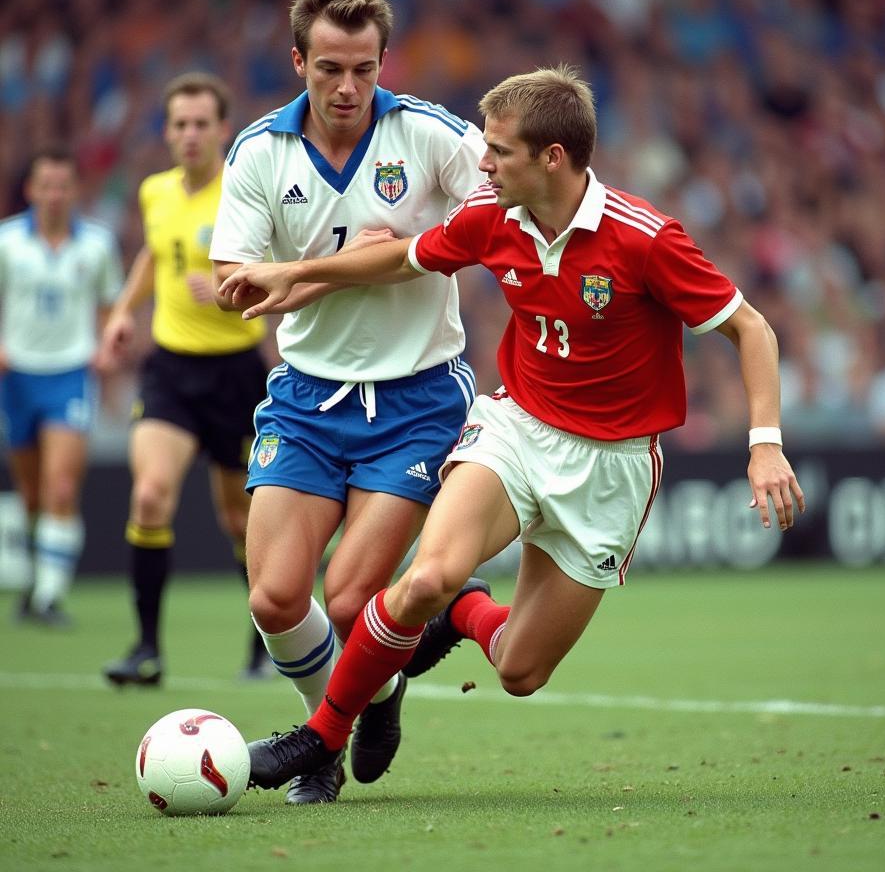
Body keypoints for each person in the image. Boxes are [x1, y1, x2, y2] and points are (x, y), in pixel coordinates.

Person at [219, 65, 807, 790]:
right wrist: (291, 277)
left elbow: (751, 329)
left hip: (611, 466)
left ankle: (466, 612)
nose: (482, 163)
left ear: (551, 159)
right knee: (423, 577)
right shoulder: (493, 217)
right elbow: (404, 257)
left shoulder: (644, 239)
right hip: (515, 431)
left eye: (498, 152)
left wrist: (766, 444)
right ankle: (320, 739)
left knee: (520, 671)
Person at [208, 0, 484, 804]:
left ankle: (318, 745)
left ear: (382, 60)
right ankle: (377, 692)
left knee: (351, 596)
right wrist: (355, 268)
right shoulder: (260, 150)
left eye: (363, 68)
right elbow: (236, 284)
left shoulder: (431, 134)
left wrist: (362, 258)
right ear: (298, 60)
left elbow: (493, 226)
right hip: (307, 397)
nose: (347, 86)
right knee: (275, 595)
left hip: (417, 399)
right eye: (329, 67)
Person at [98, 73, 271, 687]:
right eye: (180, 124)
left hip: (236, 376)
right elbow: (153, 253)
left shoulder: (245, 195)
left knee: (240, 519)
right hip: (171, 369)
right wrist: (123, 311)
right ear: (167, 132)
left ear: (224, 130)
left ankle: (265, 648)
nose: (190, 134)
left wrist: (227, 291)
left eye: (202, 123)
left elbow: (275, 279)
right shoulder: (155, 193)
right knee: (149, 496)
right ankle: (147, 649)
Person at [0, 147, 123, 626]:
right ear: (31, 190)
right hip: (18, 377)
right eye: (45, 185)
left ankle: (49, 597)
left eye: (62, 185)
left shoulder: (95, 245)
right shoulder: (8, 242)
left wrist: (107, 348)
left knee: (62, 485)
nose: (54, 194)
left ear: (75, 190)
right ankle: (36, 584)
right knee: (31, 495)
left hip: (70, 374)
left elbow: (112, 304)